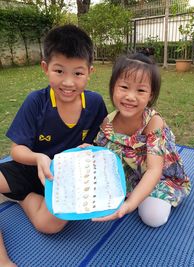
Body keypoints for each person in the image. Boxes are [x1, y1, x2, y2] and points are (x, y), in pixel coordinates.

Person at [0, 24, 107, 264]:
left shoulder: (95, 103)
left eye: (78, 73)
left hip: (66, 180)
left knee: (49, 225)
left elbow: (103, 143)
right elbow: (17, 150)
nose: (68, 82)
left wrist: (91, 151)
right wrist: (38, 158)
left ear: (90, 72)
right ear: (45, 68)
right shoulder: (36, 102)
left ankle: (22, 197)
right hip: (31, 167)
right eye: (59, 71)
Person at [92, 52, 191, 227]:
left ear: (150, 95)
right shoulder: (108, 122)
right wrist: (90, 151)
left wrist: (130, 204)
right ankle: (133, 192)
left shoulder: (153, 122)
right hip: (128, 176)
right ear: (113, 87)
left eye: (141, 90)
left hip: (158, 176)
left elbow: (154, 170)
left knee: (153, 217)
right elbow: (104, 155)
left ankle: (144, 196)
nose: (131, 96)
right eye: (124, 87)